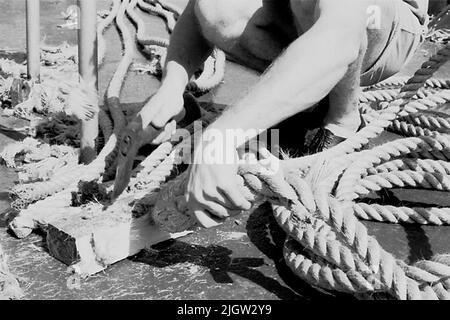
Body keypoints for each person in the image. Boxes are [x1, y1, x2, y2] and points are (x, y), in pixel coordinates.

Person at [136, 0, 429, 227]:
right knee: (217, 8)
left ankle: (343, 117)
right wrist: (172, 86)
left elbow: (342, 33)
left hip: (384, 19)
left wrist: (222, 136)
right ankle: (304, 85)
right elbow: (198, 8)